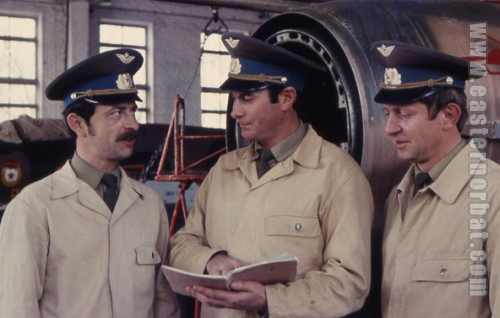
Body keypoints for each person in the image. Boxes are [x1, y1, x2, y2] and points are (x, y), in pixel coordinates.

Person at [169, 33, 374, 318]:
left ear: (287, 98)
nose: (235, 112)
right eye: (233, 99)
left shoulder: (338, 175)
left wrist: (269, 299)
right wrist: (209, 259)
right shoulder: (223, 170)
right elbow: (181, 243)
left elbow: (348, 283)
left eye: (247, 99)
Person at [0, 49, 180, 317]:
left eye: (133, 111)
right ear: (78, 124)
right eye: (117, 113)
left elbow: (165, 307)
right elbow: (17, 310)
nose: (132, 124)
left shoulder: (150, 205)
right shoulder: (34, 208)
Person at [371, 41, 500, 317]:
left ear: (449, 115)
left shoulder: (494, 198)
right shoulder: (399, 196)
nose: (389, 129)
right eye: (387, 114)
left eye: (404, 114)